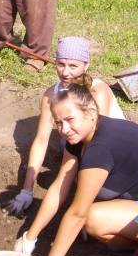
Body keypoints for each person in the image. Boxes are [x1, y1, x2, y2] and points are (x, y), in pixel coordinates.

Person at [15, 83, 138, 256]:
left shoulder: (100, 148)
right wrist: (29, 237)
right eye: (58, 123)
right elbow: (60, 185)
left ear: (91, 113)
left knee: (91, 219)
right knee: (89, 210)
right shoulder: (82, 135)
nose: (64, 129)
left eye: (69, 119)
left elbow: (78, 214)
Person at [7, 36, 125, 216]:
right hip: (79, 146)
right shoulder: (50, 96)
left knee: (99, 190)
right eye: (61, 64)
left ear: (86, 65)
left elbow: (100, 141)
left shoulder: (97, 91)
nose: (65, 72)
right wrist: (26, 189)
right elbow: (41, 141)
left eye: (73, 66)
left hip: (114, 150)